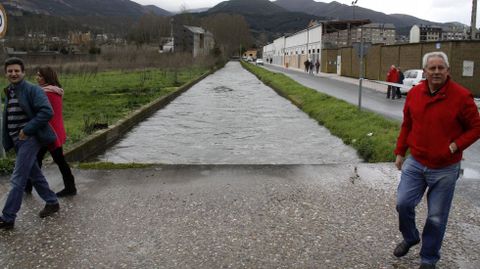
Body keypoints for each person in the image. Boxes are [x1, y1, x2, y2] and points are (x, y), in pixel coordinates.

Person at [393, 51, 480, 269]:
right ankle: (411, 237)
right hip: (416, 160)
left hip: (445, 167)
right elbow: (407, 125)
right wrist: (400, 151)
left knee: (436, 217)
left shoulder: (461, 97)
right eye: (432, 68)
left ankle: (428, 259)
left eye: (441, 68)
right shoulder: (415, 94)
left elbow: (476, 127)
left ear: (448, 71)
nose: (437, 72)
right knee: (403, 203)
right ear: (425, 72)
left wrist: (455, 145)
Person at [0, 57, 60, 230]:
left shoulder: (33, 90)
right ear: (6, 73)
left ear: (23, 72)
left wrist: (27, 129)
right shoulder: (10, 91)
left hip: (30, 138)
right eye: (10, 71)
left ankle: (8, 217)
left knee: (18, 178)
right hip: (17, 140)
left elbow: (47, 112)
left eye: (17, 71)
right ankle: (52, 201)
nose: (13, 73)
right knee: (34, 173)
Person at [24, 66, 77, 197]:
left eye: (40, 76)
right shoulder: (56, 91)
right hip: (55, 131)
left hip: (48, 133)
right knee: (46, 159)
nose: (37, 78)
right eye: (37, 75)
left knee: (43, 160)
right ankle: (28, 186)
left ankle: (70, 188)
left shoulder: (46, 93)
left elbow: (39, 113)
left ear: (47, 77)